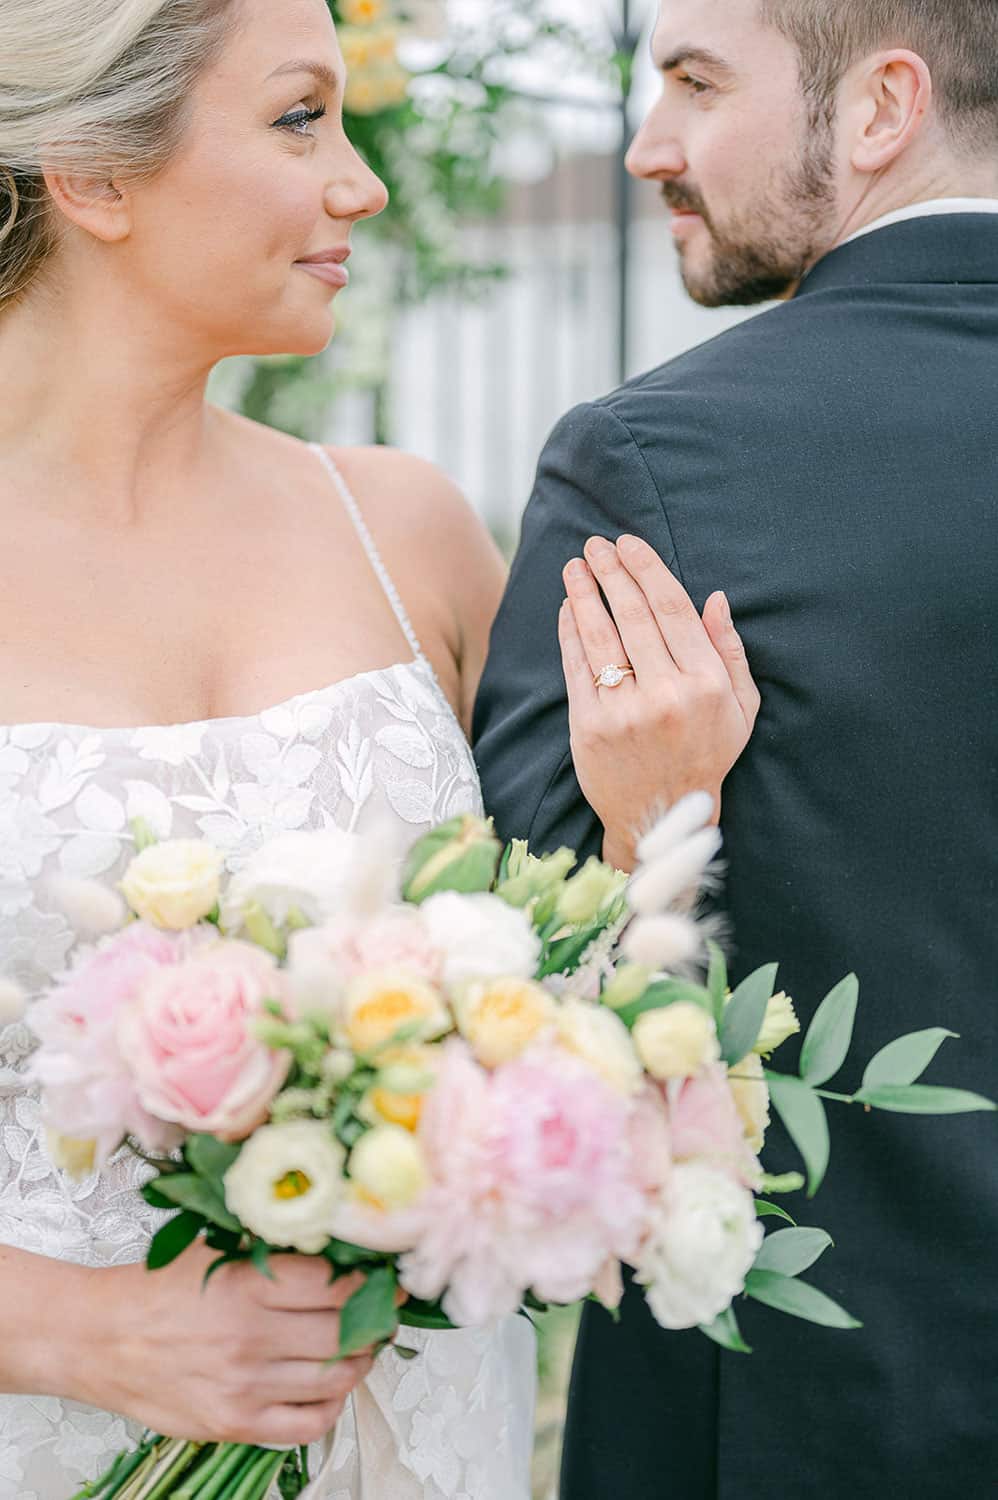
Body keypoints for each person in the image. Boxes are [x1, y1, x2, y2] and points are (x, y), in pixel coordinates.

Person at [0, 0, 755, 1494]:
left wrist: (650, 825)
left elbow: (578, 1015)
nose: (362, 184)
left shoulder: (402, 526)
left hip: (419, 1439)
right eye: (298, 120)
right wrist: (72, 1329)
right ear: (93, 173)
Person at [474, 0, 998, 1495]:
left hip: (797, 1394)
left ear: (881, 107)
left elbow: (524, 975)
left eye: (695, 84)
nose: (649, 146)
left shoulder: (652, 464)